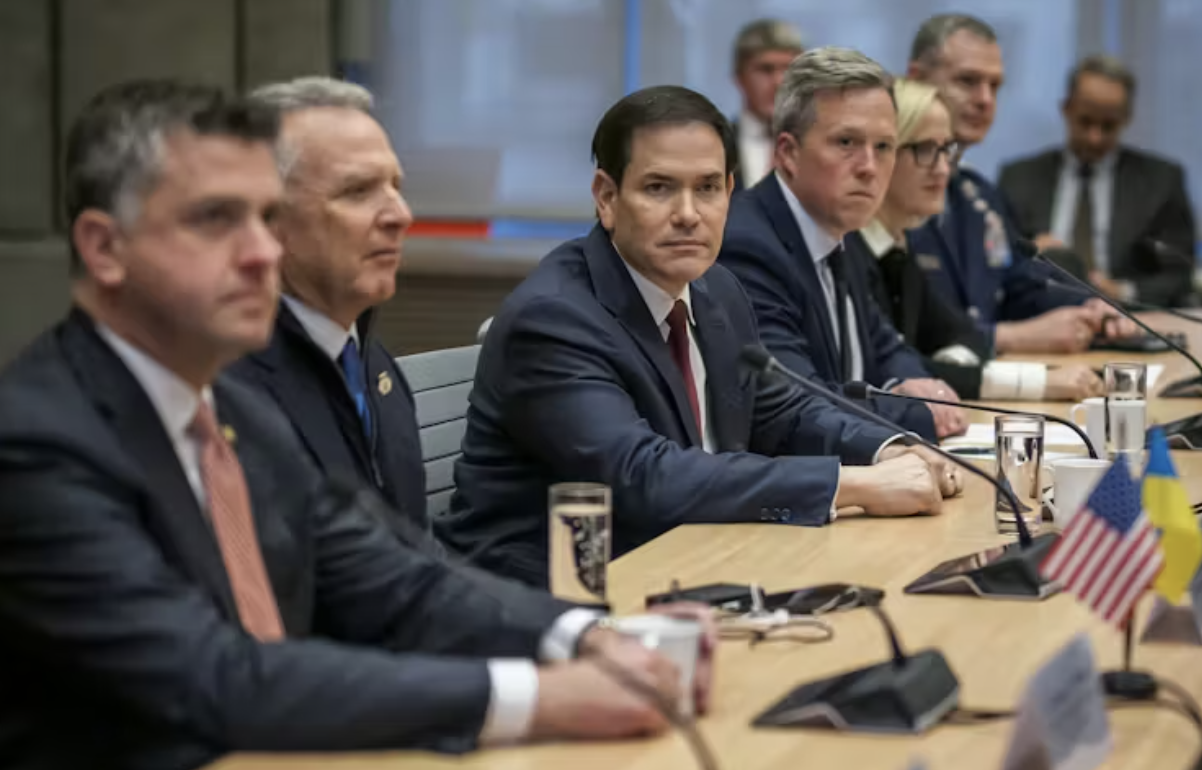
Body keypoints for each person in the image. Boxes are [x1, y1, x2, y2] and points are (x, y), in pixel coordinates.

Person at [0, 79, 715, 770]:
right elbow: (214, 678)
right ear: (104, 249)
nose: (262, 252)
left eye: (265, 217)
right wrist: (537, 697)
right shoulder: (36, 444)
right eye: (217, 220)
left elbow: (394, 577)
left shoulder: (229, 413)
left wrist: (592, 636)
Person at [438, 84, 959, 587]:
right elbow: (643, 476)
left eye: (707, 188)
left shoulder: (716, 290)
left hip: (693, 562)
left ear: (730, 192)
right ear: (607, 197)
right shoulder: (554, 318)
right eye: (659, 188)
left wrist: (889, 450)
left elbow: (782, 414)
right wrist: (853, 484)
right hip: (553, 595)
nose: (688, 215)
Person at [718, 47, 967, 440]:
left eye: (883, 147)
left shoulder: (839, 231)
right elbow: (792, 405)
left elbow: (886, 347)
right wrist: (917, 414)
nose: (869, 167)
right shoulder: (749, 247)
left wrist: (919, 387)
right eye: (847, 142)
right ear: (788, 153)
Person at [228, 77, 432, 547]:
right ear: (267, 218)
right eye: (358, 191)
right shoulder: (227, 386)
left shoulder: (374, 363)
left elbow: (417, 552)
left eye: (396, 186)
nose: (400, 214)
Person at [847, 77, 1103, 402]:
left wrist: (948, 369)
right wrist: (1038, 382)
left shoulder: (897, 249)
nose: (943, 169)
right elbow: (887, 370)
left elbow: (961, 336)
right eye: (925, 150)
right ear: (881, 155)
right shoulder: (849, 254)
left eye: (947, 150)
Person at [905, 13, 1138, 354]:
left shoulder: (979, 195)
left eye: (995, 86)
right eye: (968, 81)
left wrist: (1090, 308)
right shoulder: (886, 192)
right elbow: (903, 333)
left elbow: (1018, 287)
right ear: (916, 79)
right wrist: (1010, 338)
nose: (985, 100)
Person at [999, 55, 1197, 307]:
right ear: (1066, 108)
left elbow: (1179, 274)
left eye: (1108, 125)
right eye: (1085, 121)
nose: (1095, 137)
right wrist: (1027, 259)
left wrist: (1122, 291)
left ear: (1127, 117)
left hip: (1125, 314)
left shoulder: (1161, 182)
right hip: (1039, 310)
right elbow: (993, 261)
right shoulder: (1018, 178)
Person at [730, 18, 805, 190]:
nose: (778, 81)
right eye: (766, 69)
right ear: (739, 78)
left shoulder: (820, 145)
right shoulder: (716, 144)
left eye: (788, 69)